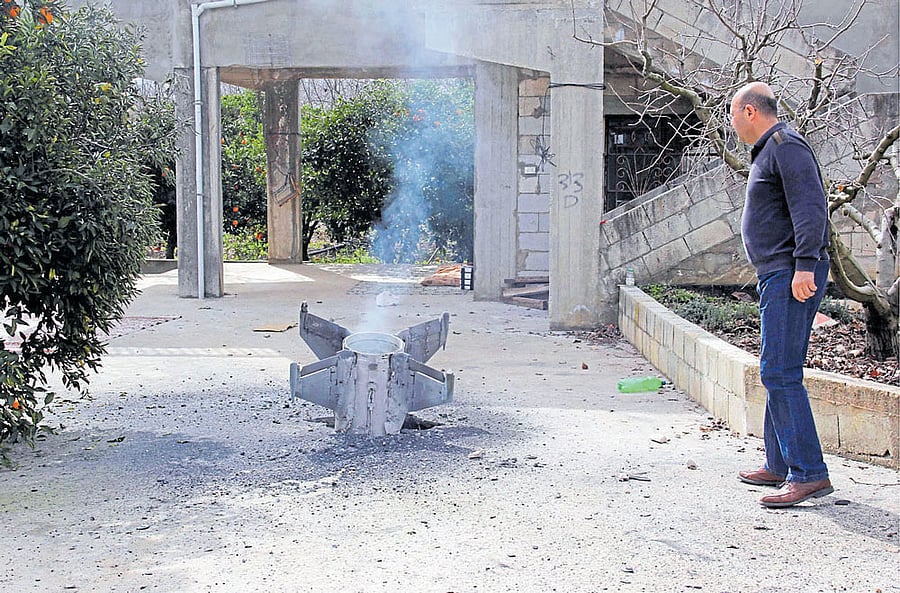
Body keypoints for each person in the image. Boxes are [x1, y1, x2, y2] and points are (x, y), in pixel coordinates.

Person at [729, 81, 834, 508]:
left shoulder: (786, 145)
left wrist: (805, 265)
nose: (731, 122)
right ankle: (779, 464)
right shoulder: (770, 150)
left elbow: (811, 206)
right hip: (778, 272)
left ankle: (808, 472)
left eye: (733, 113)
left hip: (792, 271)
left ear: (750, 111)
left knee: (780, 371)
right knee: (776, 369)